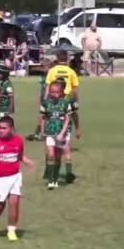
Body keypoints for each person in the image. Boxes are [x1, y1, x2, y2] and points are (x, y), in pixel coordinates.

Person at [0, 116, 34, 242]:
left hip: (14, 177)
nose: (0, 130)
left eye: (4, 128)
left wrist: (28, 162)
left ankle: (11, 230)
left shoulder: (18, 141)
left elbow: (19, 155)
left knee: (14, 203)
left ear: (11, 129)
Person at [45, 50, 80, 180]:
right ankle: (67, 172)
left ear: (57, 57)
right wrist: (76, 100)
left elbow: (48, 86)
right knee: (66, 146)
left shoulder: (52, 71)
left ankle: (50, 171)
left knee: (51, 142)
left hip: (54, 100)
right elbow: (75, 88)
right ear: (67, 58)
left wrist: (46, 99)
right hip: (68, 98)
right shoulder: (71, 72)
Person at [40, 81, 72, 189]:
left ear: (61, 92)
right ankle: (50, 180)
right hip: (50, 133)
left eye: (56, 92)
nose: (54, 94)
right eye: (52, 92)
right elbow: (43, 118)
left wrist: (62, 133)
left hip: (60, 134)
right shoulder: (45, 103)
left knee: (58, 157)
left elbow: (67, 119)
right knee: (51, 155)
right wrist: (43, 131)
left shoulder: (65, 103)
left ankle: (55, 178)